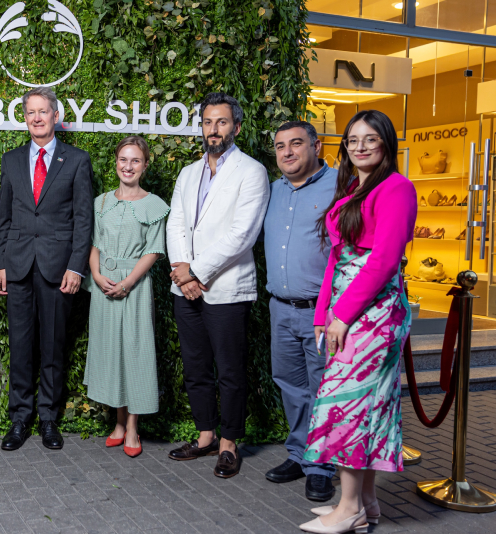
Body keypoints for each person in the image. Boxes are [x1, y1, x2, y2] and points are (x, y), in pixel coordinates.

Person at [299, 110, 416, 534]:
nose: (360, 147)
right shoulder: (352, 188)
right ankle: (366, 503)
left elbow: (383, 260)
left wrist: (343, 315)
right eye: (352, 140)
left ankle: (348, 508)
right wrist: (324, 314)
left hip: (376, 314)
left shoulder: (397, 188)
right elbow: (337, 256)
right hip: (348, 311)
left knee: (348, 404)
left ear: (386, 143)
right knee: (364, 404)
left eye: (370, 139)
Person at [166, 92, 269, 479]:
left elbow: (242, 235)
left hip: (224, 288)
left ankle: (229, 444)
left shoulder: (252, 172)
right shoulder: (189, 172)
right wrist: (182, 271)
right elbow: (176, 223)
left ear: (236, 127)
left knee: (229, 370)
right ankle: (206, 435)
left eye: (221, 122)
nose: (214, 129)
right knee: (195, 367)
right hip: (186, 288)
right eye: (208, 122)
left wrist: (195, 272)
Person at [0, 87, 94, 451]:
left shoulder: (77, 160)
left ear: (55, 116)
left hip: (58, 268)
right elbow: (3, 217)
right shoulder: (11, 160)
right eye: (30, 112)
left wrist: (76, 267)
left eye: (43, 111)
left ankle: (49, 418)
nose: (36, 117)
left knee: (52, 347)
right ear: (25, 118)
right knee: (20, 346)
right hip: (18, 266)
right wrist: (0, 264)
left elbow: (83, 220)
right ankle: (19, 419)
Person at [263, 121, 337, 501]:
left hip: (322, 314)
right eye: (280, 146)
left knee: (323, 388)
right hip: (280, 308)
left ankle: (322, 466)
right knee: (291, 386)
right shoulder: (272, 190)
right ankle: (298, 454)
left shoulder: (340, 186)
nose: (287, 152)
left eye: (296, 144)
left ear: (316, 146)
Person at [83, 136, 169, 458]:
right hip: (103, 285)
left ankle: (132, 427)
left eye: (135, 161)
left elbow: (154, 250)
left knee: (135, 352)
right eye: (123, 160)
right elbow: (94, 243)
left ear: (145, 165)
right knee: (110, 352)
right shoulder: (101, 202)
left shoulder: (154, 205)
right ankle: (118, 423)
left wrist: (129, 282)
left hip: (134, 285)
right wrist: (96, 274)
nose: (128, 166)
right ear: (116, 163)